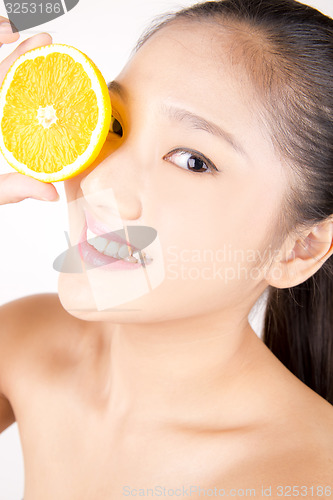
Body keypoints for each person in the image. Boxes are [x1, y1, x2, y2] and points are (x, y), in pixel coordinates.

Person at [0, 0, 332, 497]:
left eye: (193, 160)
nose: (99, 181)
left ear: (299, 248)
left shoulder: (301, 481)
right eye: (112, 124)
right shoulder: (26, 343)